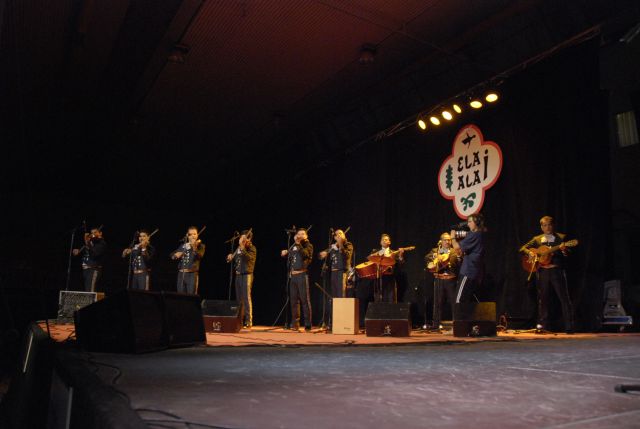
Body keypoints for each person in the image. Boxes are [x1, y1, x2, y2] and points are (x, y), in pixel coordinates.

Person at [520, 216, 574, 333]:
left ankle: (569, 326)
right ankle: (543, 326)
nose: (547, 227)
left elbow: (568, 254)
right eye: (544, 225)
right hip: (543, 271)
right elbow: (522, 248)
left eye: (549, 225)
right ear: (541, 227)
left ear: (553, 225)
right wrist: (530, 252)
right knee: (543, 299)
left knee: (564, 299)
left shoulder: (561, 237)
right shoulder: (537, 239)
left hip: (556, 271)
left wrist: (564, 250)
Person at [425, 232, 460, 331]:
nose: (447, 241)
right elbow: (426, 258)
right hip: (439, 279)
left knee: (454, 302)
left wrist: (454, 258)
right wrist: (436, 257)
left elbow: (457, 263)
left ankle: (457, 324)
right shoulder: (435, 250)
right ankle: (436, 324)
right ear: (441, 241)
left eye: (449, 240)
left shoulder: (453, 251)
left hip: (450, 279)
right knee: (437, 302)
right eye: (445, 240)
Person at [281, 228, 313, 331]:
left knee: (304, 300)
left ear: (306, 236)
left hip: (302, 275)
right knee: (294, 301)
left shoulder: (308, 245)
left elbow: (306, 255)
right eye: (298, 234)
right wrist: (286, 253)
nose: (300, 235)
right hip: (293, 276)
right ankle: (295, 323)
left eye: (302, 234)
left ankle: (308, 324)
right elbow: (291, 259)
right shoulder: (294, 246)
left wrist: (298, 244)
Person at [450, 213, 486, 304]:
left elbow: (457, 247)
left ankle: (459, 318)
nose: (468, 224)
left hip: (468, 272)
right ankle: (467, 318)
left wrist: (453, 237)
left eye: (470, 222)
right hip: (475, 273)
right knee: (467, 300)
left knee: (459, 300)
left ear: (477, 223)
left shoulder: (474, 235)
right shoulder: (479, 234)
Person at [226, 230, 256, 329]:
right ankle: (240, 320)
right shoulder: (238, 248)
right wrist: (230, 257)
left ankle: (249, 321)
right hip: (238, 275)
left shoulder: (252, 248)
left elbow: (248, 258)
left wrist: (243, 248)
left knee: (246, 298)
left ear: (249, 238)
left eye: (244, 238)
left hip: (247, 275)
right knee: (239, 299)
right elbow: (234, 259)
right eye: (241, 238)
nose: (242, 240)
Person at [318, 229, 353, 300]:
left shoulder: (348, 245)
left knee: (341, 294)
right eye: (337, 234)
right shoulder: (332, 247)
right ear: (334, 238)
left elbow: (346, 256)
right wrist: (323, 254)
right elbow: (320, 256)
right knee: (334, 295)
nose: (339, 235)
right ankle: (336, 310)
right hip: (333, 273)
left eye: (341, 233)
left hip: (342, 272)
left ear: (344, 235)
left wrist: (340, 245)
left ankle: (342, 310)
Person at [370, 234, 404, 303]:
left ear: (389, 242)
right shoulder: (375, 252)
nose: (384, 241)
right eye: (382, 240)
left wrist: (400, 256)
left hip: (390, 278)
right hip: (378, 278)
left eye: (386, 239)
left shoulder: (394, 253)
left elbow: (400, 265)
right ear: (380, 242)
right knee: (378, 299)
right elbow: (371, 262)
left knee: (390, 299)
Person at [171, 226, 205, 294]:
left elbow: (200, 256)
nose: (193, 236)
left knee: (191, 296)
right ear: (187, 235)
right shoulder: (183, 245)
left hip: (191, 274)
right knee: (180, 296)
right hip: (181, 274)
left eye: (194, 234)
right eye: (190, 234)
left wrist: (194, 247)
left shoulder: (200, 246)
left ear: (197, 235)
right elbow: (172, 255)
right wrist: (175, 255)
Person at [72, 227, 107, 292]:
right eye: (92, 233)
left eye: (95, 232)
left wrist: (88, 242)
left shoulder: (101, 243)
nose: (93, 234)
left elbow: (95, 254)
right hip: (86, 269)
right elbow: (85, 251)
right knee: (87, 289)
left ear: (100, 233)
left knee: (90, 291)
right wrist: (78, 251)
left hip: (93, 269)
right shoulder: (91, 242)